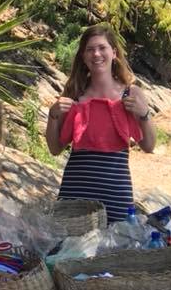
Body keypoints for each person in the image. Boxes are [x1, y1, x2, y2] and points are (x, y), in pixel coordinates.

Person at [45, 25, 156, 223]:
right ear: (83, 56)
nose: (96, 54)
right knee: (71, 253)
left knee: (115, 251)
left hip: (116, 195)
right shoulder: (74, 94)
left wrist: (144, 114)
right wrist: (52, 116)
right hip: (76, 195)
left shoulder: (131, 94)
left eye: (102, 48)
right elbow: (54, 149)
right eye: (89, 49)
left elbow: (149, 146)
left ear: (114, 53)